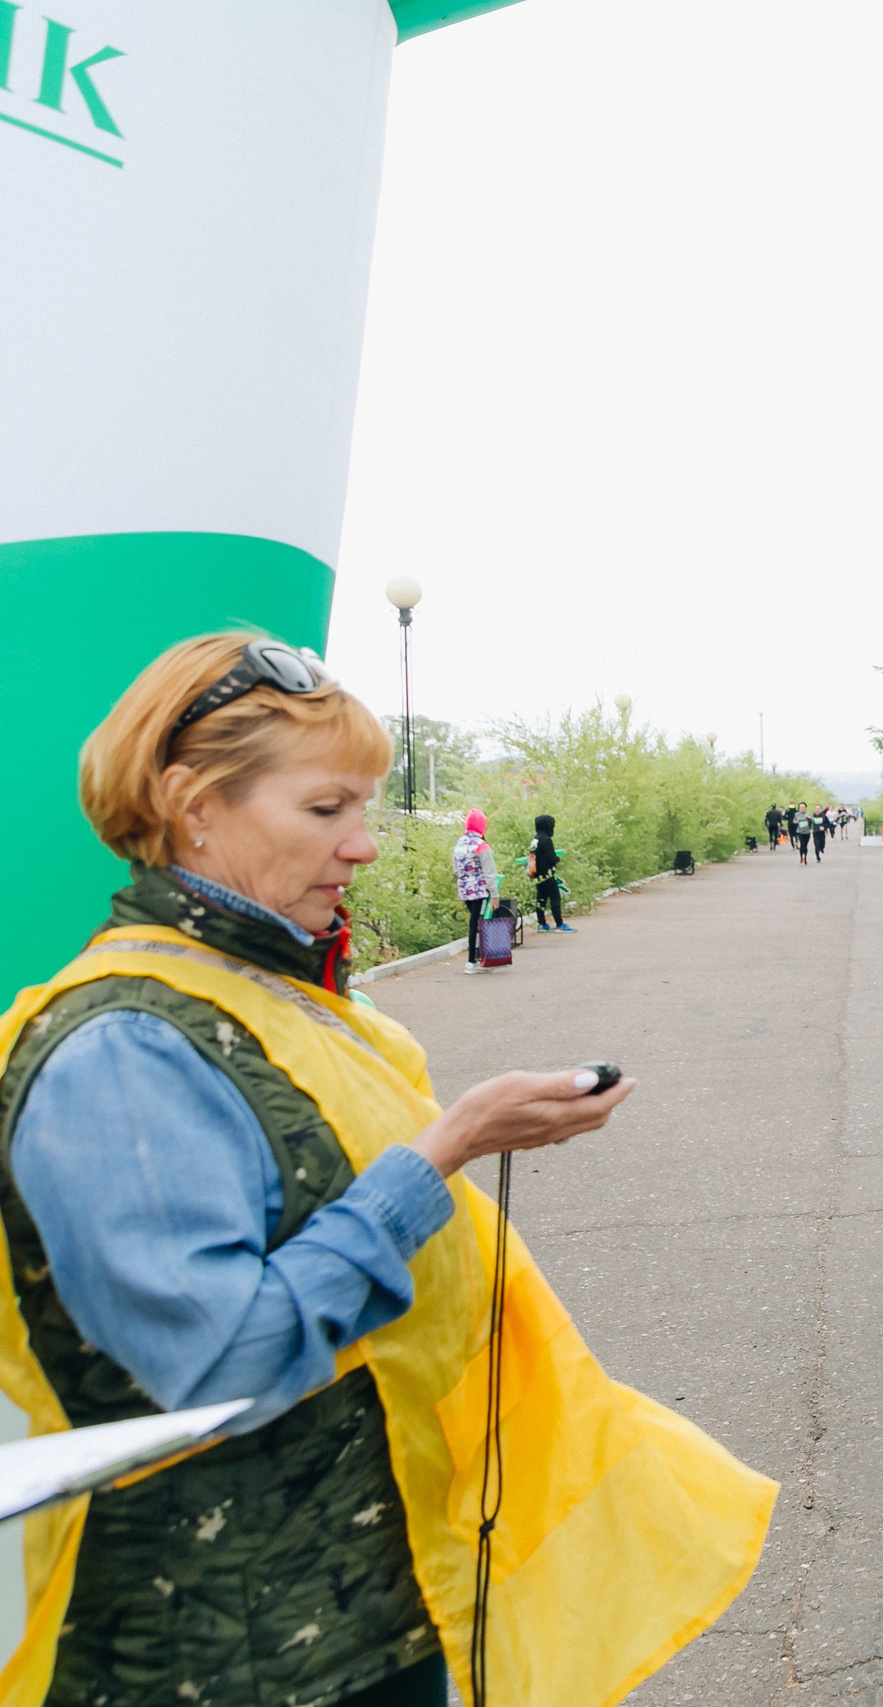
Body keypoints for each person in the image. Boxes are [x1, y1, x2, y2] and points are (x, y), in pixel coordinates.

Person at [0, 633, 770, 1707]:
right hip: (226, 1658)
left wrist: (463, 1140)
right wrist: (446, 1149)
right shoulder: (122, 1047)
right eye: (327, 809)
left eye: (362, 807)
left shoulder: (260, 994)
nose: (362, 845)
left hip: (361, 1600)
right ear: (192, 805)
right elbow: (220, 1364)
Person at [451, 807, 498, 970]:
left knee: (474, 921)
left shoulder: (459, 843)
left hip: (464, 889)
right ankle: (472, 960)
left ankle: (477, 957)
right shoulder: (481, 845)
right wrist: (495, 894)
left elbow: (456, 869)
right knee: (476, 922)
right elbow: (489, 872)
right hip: (479, 889)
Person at [528, 811, 575, 933]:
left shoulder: (534, 839)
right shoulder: (546, 839)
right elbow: (550, 857)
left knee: (541, 898)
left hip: (536, 874)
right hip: (547, 873)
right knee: (555, 897)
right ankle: (559, 924)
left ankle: (542, 924)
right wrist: (557, 859)